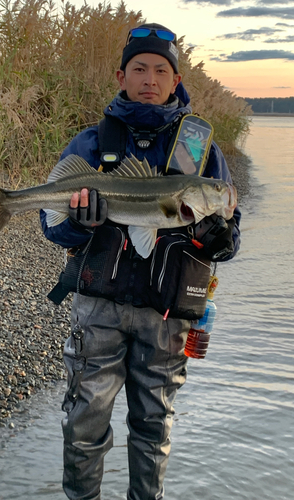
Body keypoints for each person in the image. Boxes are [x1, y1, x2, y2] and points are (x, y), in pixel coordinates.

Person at [40, 23, 241, 500]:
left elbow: (230, 240)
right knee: (83, 427)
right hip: (98, 310)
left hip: (167, 317)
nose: (150, 78)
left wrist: (216, 235)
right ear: (121, 75)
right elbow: (53, 229)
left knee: (154, 432)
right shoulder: (90, 144)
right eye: (139, 68)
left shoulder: (202, 151)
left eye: (161, 70)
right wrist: (79, 224)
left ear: (176, 80)